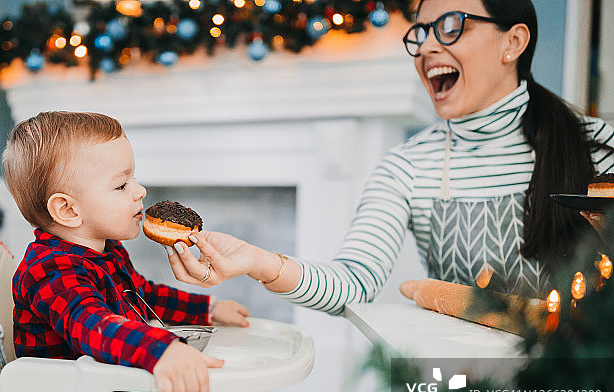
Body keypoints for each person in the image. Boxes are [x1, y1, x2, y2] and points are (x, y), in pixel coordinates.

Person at [166, 0, 614, 312]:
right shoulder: (406, 167)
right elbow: (355, 284)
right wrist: (259, 262)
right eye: (420, 33)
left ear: (512, 42)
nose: (425, 47)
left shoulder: (598, 149)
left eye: (451, 26)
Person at [2, 111, 259, 392]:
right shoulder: (48, 270)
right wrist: (162, 351)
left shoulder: (108, 251)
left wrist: (205, 311)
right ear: (68, 209)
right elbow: (92, 325)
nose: (140, 191)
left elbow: (144, 294)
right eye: (122, 185)